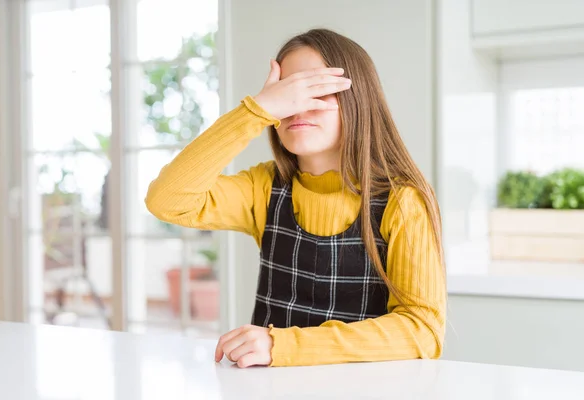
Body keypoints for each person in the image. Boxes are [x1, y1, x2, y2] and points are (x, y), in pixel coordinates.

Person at [145, 28, 446, 368]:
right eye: (286, 94)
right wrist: (255, 110)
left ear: (358, 99)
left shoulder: (402, 201)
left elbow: (423, 330)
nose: (296, 107)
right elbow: (166, 200)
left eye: (315, 90)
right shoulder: (264, 187)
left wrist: (281, 345)